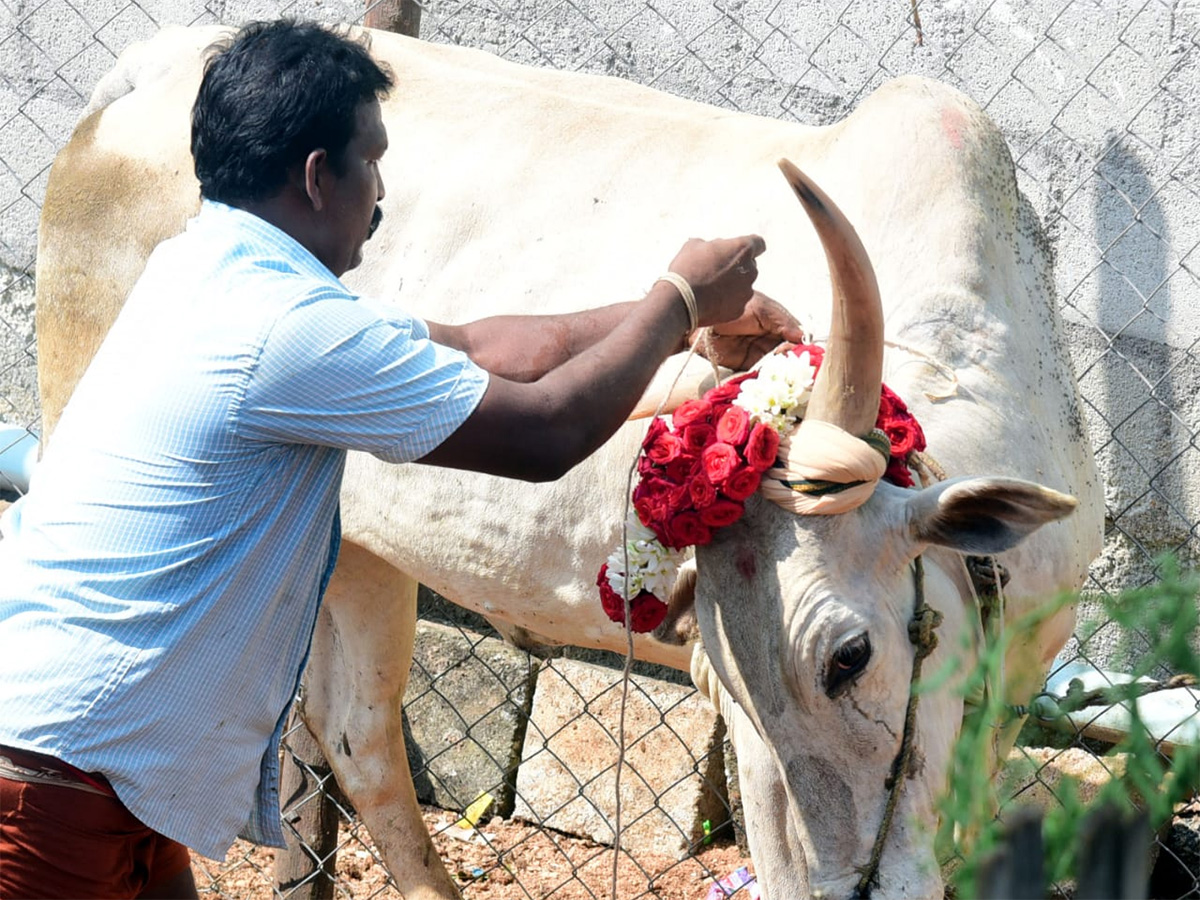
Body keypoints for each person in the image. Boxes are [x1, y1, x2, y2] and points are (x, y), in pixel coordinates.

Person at [0, 19, 801, 899]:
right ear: (316, 177)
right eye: (371, 162)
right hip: (56, 780)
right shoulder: (284, 330)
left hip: (96, 762)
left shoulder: (207, 268)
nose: (380, 192)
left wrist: (684, 317)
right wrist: (678, 294)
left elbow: (488, 347)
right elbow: (544, 433)